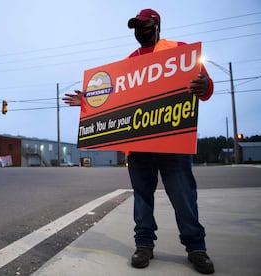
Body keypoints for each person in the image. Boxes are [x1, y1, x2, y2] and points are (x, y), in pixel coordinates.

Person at [63, 8, 215, 275]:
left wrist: (206, 86)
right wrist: (85, 101)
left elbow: (205, 88)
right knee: (142, 199)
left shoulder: (179, 52)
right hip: (140, 148)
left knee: (184, 198)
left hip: (172, 145)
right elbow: (113, 98)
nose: (138, 31)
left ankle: (196, 249)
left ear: (156, 25)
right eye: (135, 26)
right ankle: (144, 245)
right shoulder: (129, 63)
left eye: (143, 25)